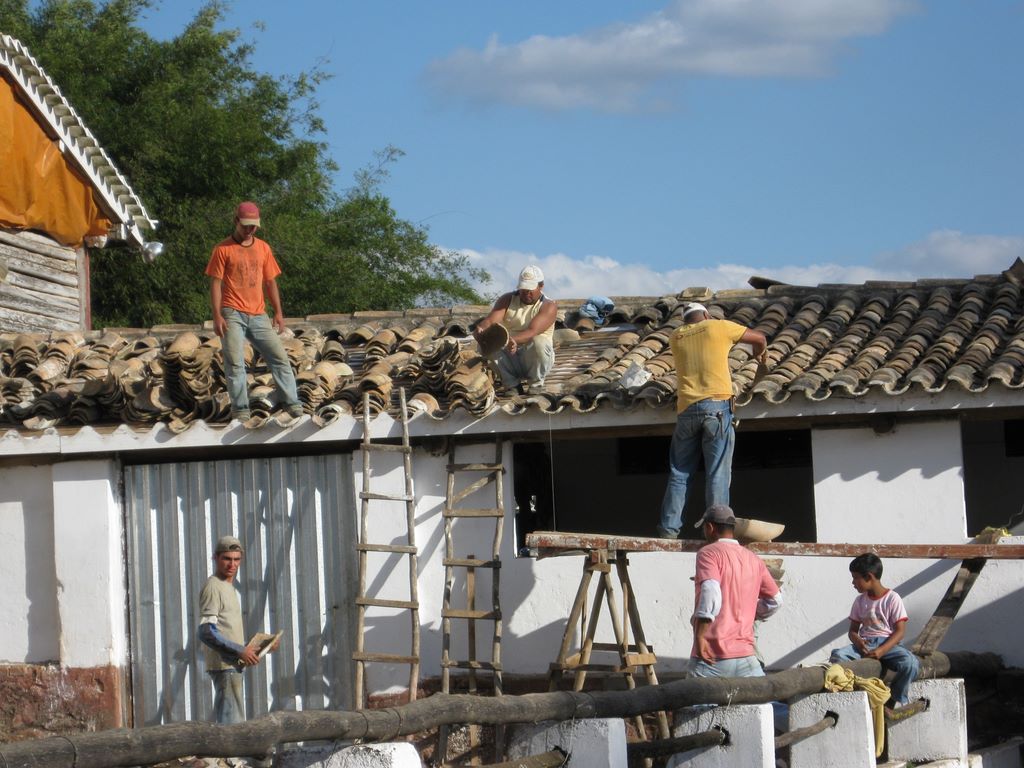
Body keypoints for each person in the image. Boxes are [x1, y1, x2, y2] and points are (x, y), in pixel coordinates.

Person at [657, 302, 767, 539]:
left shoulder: (676, 336)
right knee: (717, 472)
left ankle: (668, 530)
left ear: (685, 319)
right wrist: (760, 358)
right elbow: (759, 337)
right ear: (706, 315)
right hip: (717, 408)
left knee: (679, 473)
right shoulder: (719, 327)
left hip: (686, 410)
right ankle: (718, 532)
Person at [206, 201, 303, 422]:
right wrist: (217, 315)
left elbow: (270, 282)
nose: (250, 230)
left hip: (259, 314)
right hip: (232, 312)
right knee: (235, 361)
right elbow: (215, 283)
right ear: (236, 222)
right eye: (246, 225)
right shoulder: (222, 249)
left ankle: (292, 402)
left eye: (254, 226)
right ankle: (240, 408)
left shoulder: (263, 248)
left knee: (279, 358)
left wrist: (278, 312)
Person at [689, 504, 783, 679]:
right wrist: (752, 613)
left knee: (694, 704)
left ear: (710, 528)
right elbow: (776, 600)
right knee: (759, 704)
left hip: (711, 655)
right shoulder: (753, 559)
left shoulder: (708, 554)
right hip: (746, 657)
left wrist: (701, 636)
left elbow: (711, 592)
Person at [829, 553, 920, 707]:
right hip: (865, 643)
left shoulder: (892, 598)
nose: (853, 582)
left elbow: (900, 632)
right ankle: (857, 695)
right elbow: (852, 631)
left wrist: (881, 651)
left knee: (911, 663)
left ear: (869, 577)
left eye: (855, 578)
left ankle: (896, 698)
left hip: (888, 645)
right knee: (838, 656)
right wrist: (857, 640)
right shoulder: (859, 601)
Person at [198, 535, 266, 724]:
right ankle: (229, 755)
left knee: (229, 719)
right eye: (227, 558)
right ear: (215, 558)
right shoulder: (213, 587)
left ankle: (224, 753)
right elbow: (205, 631)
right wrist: (239, 650)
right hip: (224, 667)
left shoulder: (228, 586)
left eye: (236, 559)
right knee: (231, 725)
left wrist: (261, 647)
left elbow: (226, 630)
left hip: (232, 665)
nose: (232, 564)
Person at [473, 265, 557, 394]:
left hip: (534, 359)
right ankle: (512, 384)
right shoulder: (507, 299)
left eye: (530, 289)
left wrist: (512, 340)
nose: (526, 293)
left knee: (538, 341)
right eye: (523, 289)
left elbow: (532, 331)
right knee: (485, 343)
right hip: (511, 358)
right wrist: (481, 329)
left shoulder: (548, 306)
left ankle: (536, 384)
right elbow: (490, 320)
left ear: (541, 286)